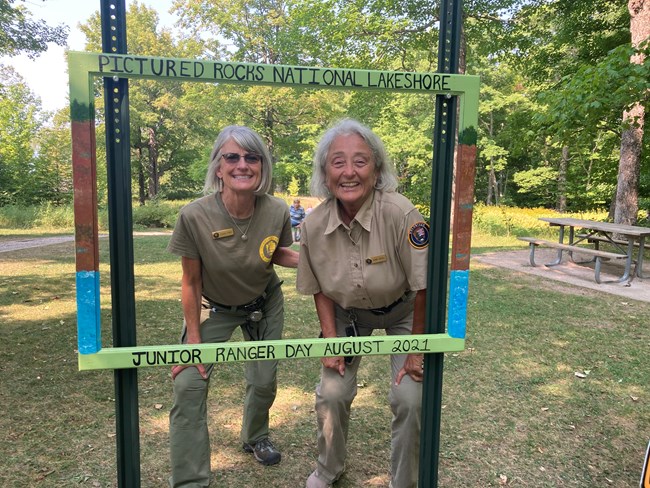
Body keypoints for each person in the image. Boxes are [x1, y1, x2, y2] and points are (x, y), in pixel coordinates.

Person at [297, 119, 429, 488]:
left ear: (377, 169)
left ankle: (404, 481)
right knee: (332, 391)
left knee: (410, 397)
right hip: (347, 314)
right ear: (325, 173)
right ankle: (328, 469)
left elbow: (423, 287)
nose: (349, 172)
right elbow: (319, 289)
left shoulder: (402, 214)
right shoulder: (312, 226)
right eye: (338, 162)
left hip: (404, 311)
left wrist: (416, 350)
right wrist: (330, 341)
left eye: (360, 161)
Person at [167, 125, 298, 488]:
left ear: (262, 165)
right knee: (189, 384)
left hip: (264, 303)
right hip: (214, 307)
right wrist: (193, 339)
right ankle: (191, 480)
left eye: (251, 157)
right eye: (232, 157)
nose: (243, 164)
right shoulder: (194, 216)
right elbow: (191, 282)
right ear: (219, 167)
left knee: (263, 380)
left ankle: (256, 437)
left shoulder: (276, 209)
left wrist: (316, 261)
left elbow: (279, 252)